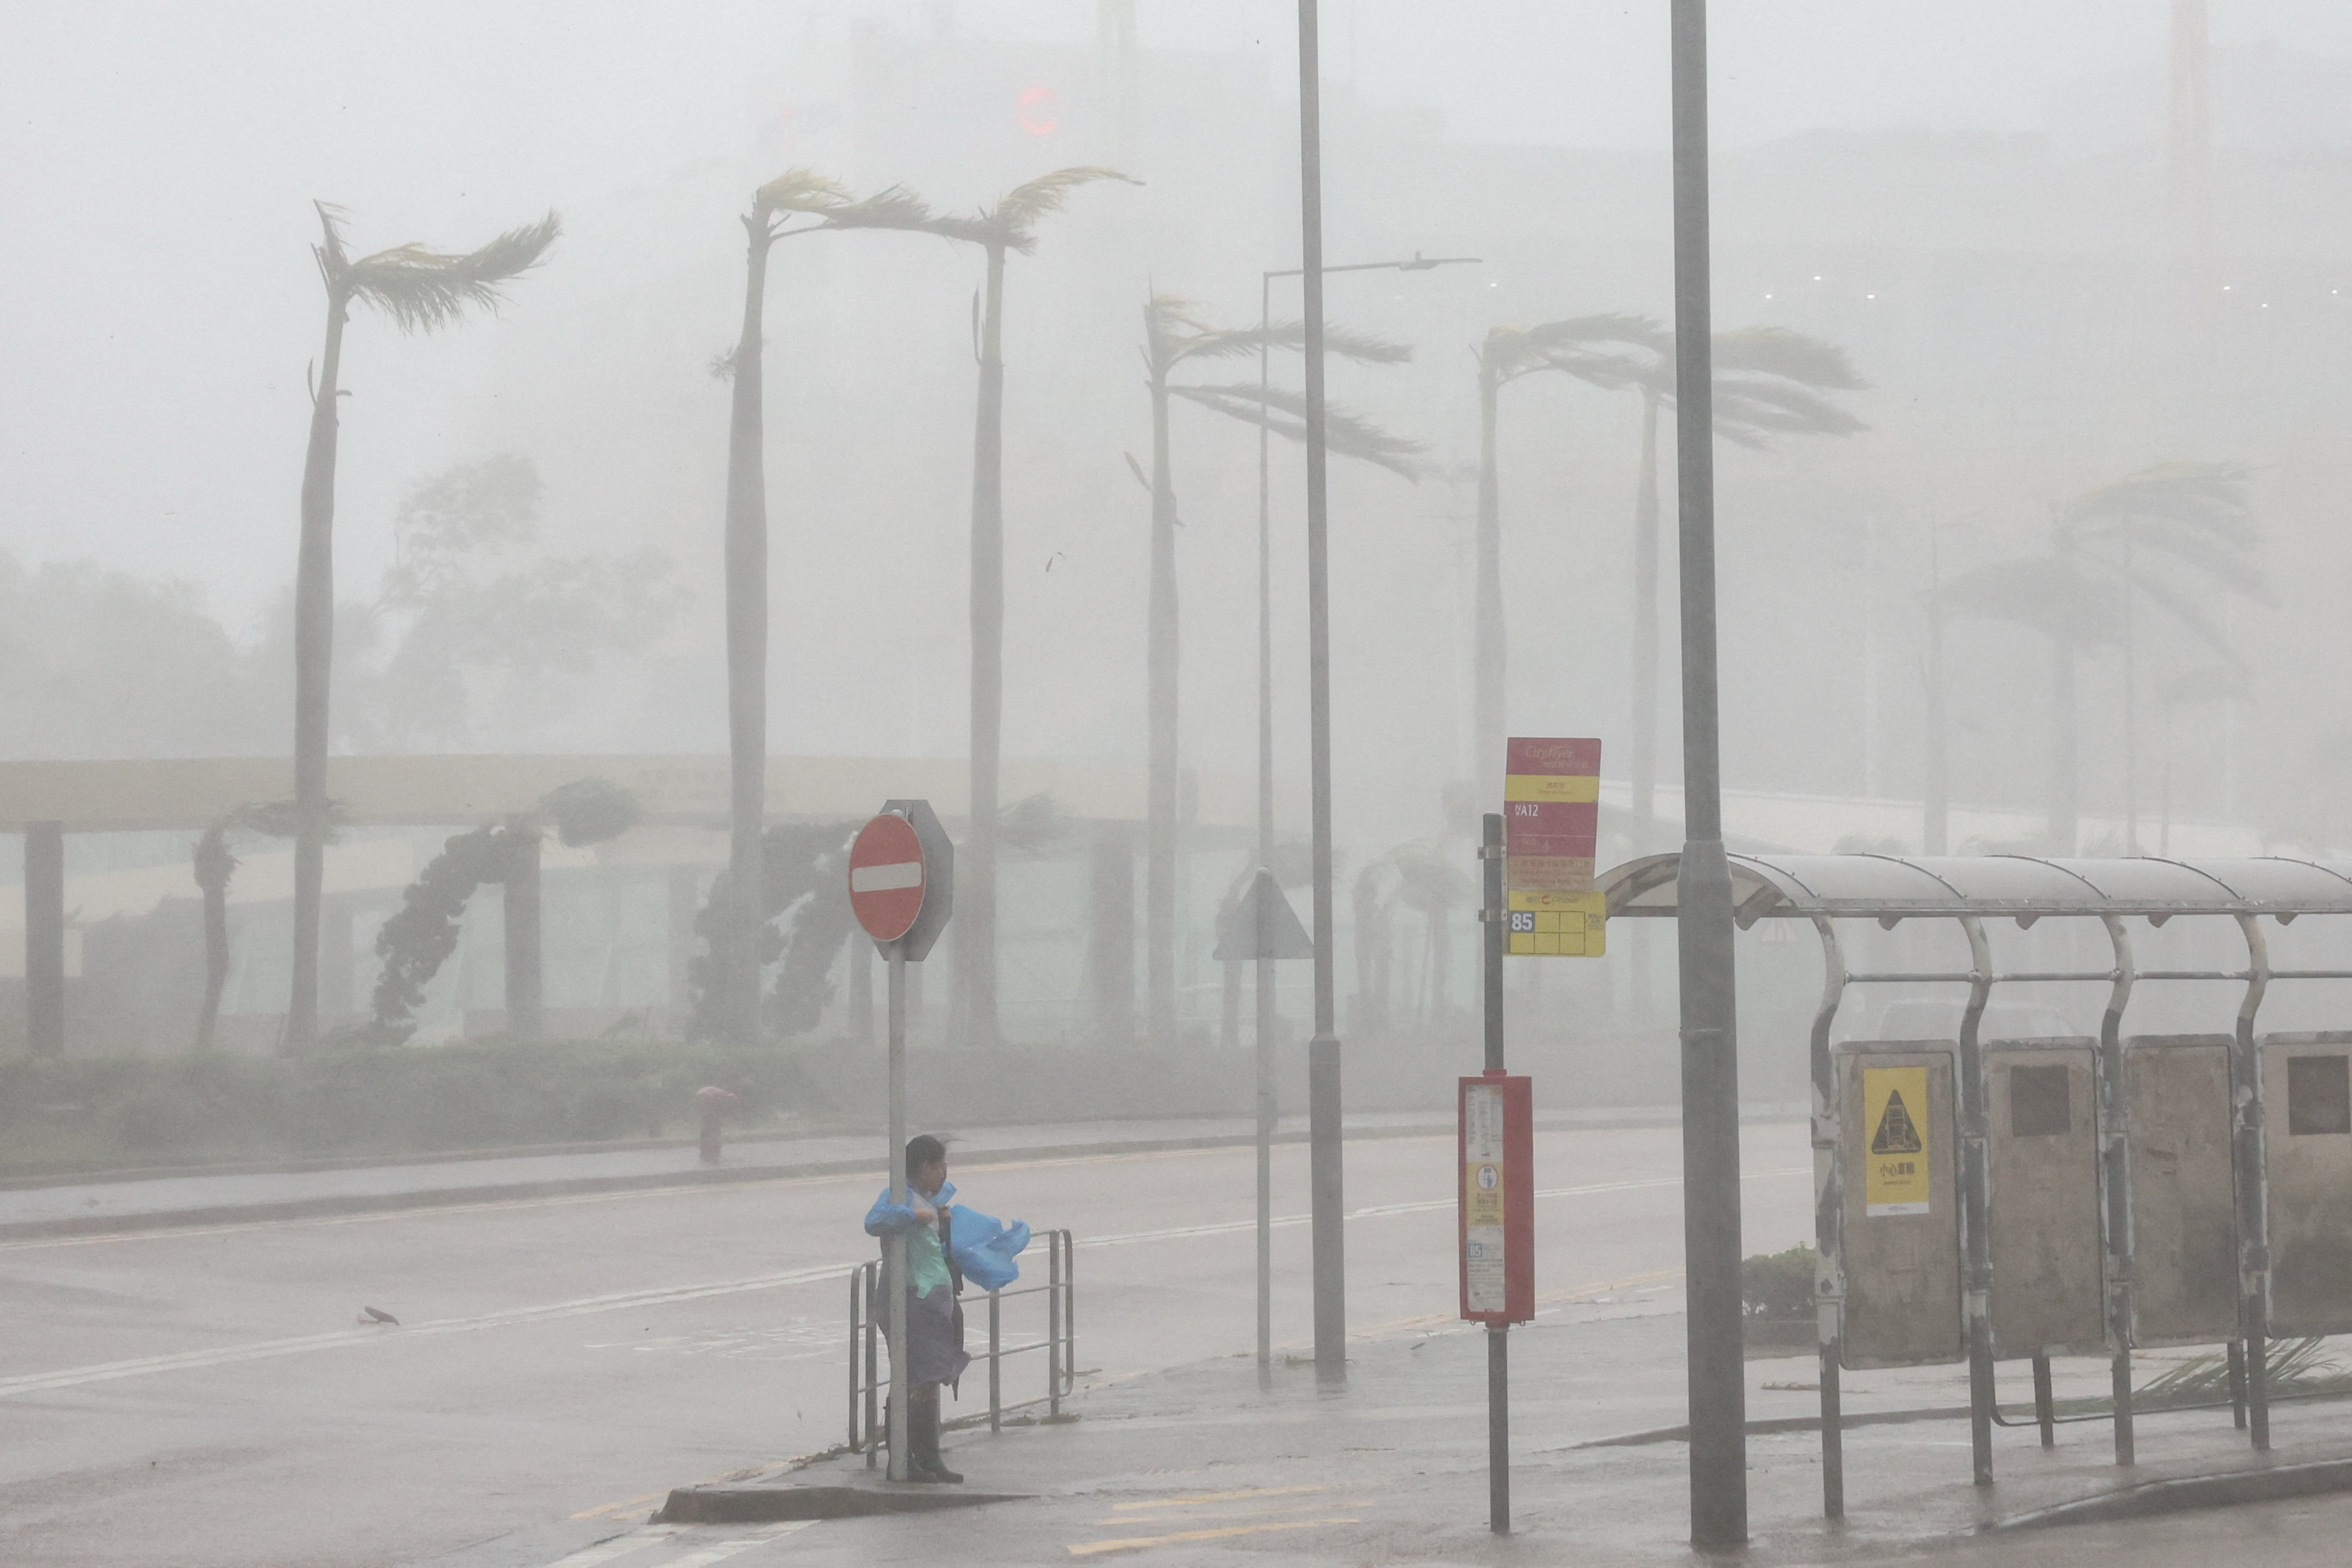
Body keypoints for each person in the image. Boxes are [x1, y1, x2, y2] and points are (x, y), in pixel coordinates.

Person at [864, 1133, 970, 1483]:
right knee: (910, 1378)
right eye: (940, 1166)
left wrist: (938, 1218)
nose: (944, 1173)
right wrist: (916, 1216)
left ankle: (928, 1456)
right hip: (909, 1299)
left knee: (928, 1379)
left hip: (932, 1299)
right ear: (925, 1167)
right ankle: (904, 1457)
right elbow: (875, 1221)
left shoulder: (926, 1199)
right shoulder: (900, 1197)